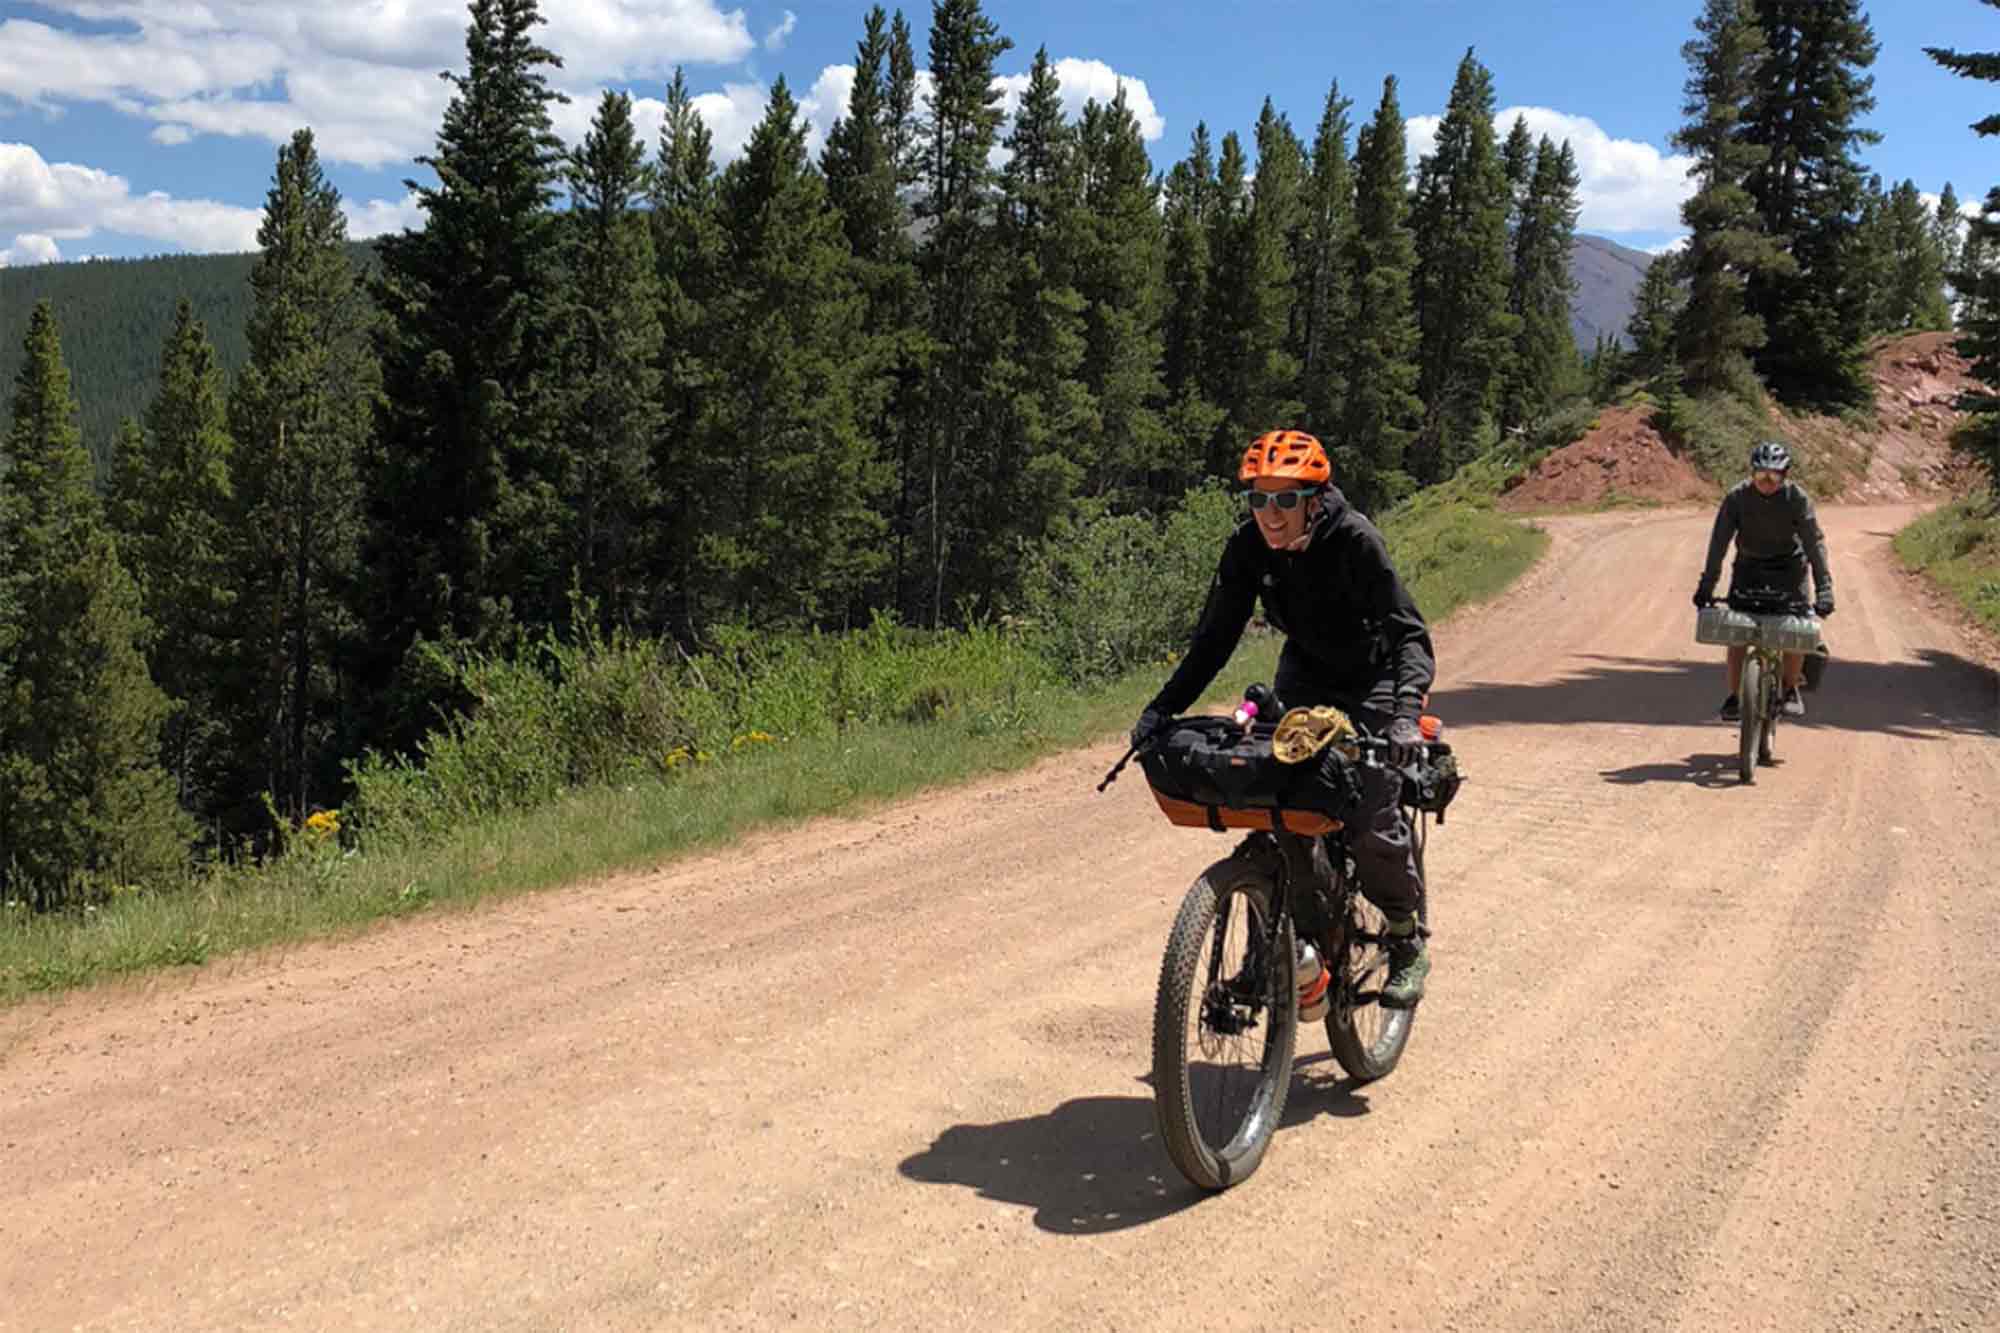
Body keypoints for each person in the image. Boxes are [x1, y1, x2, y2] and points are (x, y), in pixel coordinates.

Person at [1132, 429, 1437, 1008]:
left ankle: (1404, 938)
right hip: (1304, 674)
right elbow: (1213, 640)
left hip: (1371, 679)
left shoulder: (1355, 541)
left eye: (1285, 499)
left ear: (1314, 500)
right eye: (1259, 498)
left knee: (1369, 810)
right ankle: (1271, 958)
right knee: (1276, 806)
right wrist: (1162, 709)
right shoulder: (1247, 546)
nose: (1271, 514)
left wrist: (1402, 716)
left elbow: (1410, 638)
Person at [1692, 439, 1835, 721]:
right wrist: (1706, 586)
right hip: (1749, 567)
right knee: (1738, 634)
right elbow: (1719, 542)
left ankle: (1791, 687)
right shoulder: (1737, 498)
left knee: (1795, 628)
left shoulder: (1798, 500)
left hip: (1790, 570)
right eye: (1761, 475)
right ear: (1752, 473)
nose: (1767, 482)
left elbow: (1814, 545)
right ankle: (1735, 695)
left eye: (1774, 476)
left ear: (1785, 475)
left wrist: (1824, 590)